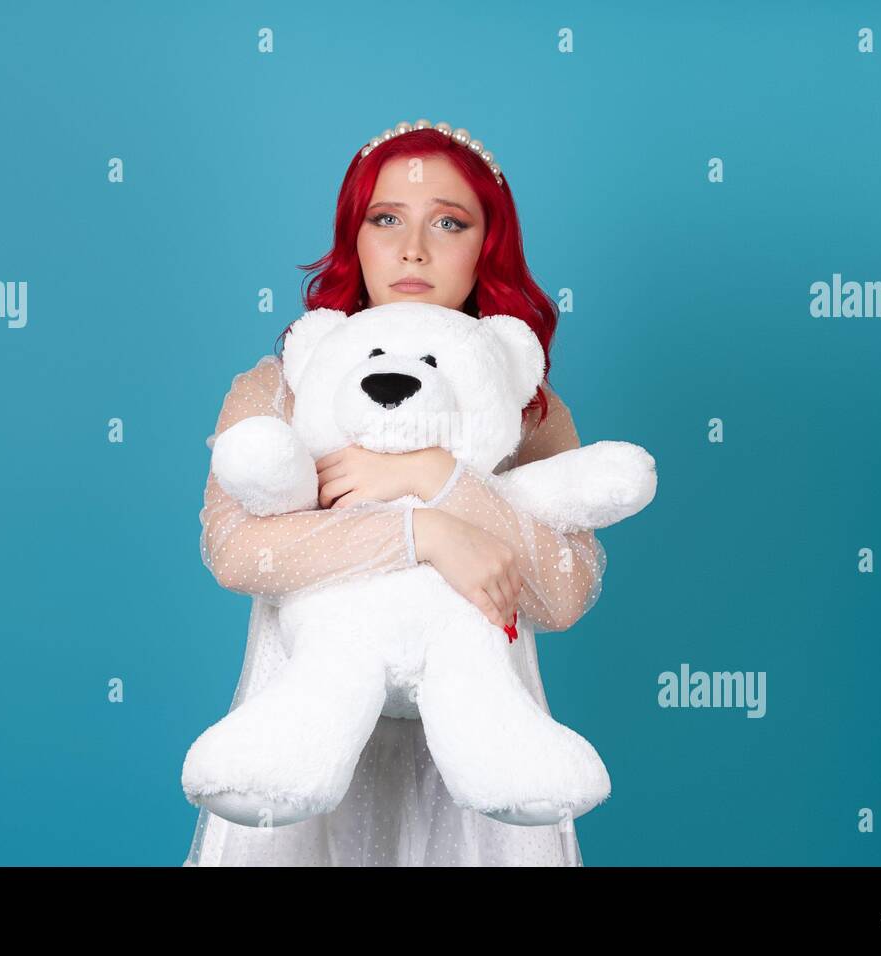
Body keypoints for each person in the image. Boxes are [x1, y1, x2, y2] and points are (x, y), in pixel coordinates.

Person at [184, 120, 608, 866]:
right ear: (356, 236)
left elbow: (565, 590)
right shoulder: (280, 386)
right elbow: (237, 550)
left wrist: (436, 478)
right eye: (387, 220)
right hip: (302, 737)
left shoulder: (523, 405)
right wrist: (427, 534)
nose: (414, 249)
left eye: (450, 221)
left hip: (479, 759)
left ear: (488, 245)